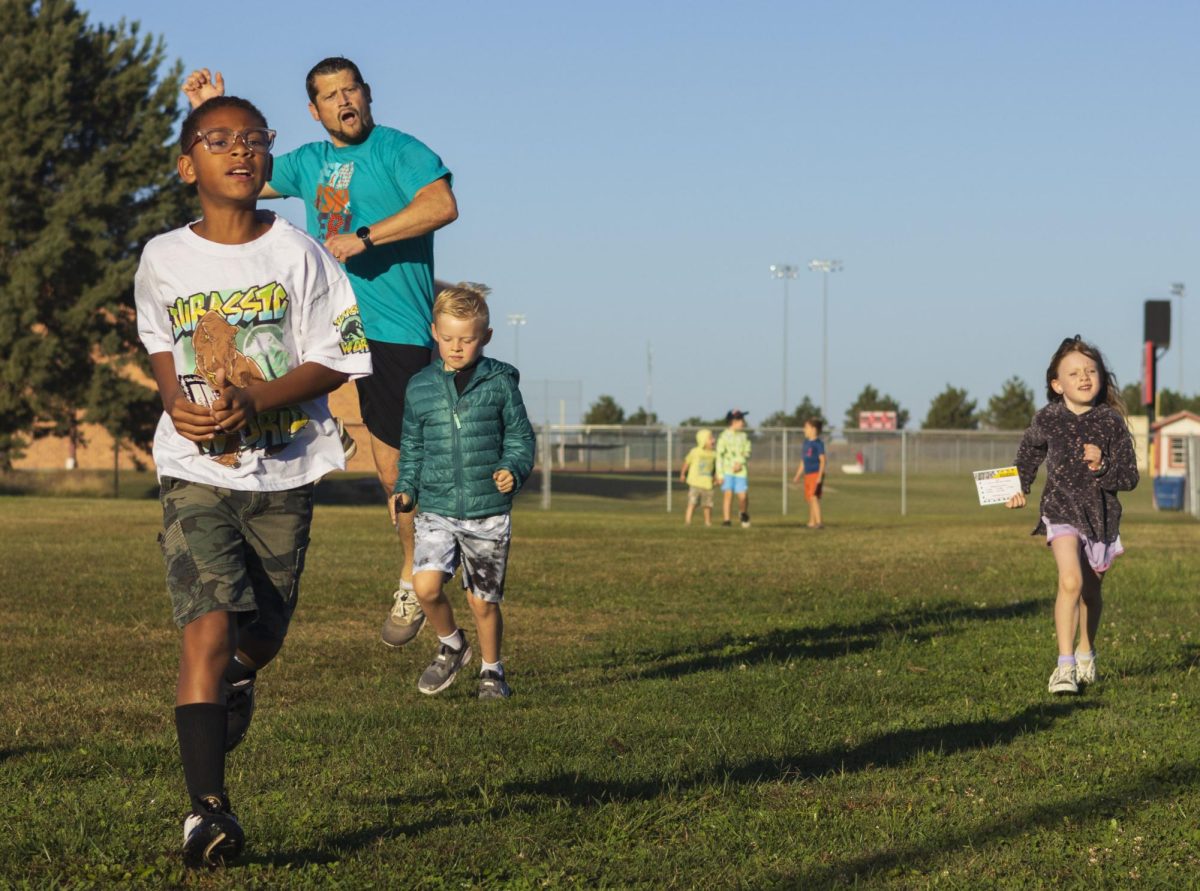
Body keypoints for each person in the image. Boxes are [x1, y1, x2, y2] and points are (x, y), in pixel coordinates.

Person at [135, 96, 372, 866]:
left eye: (255, 139)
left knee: (260, 634)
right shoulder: (163, 257)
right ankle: (207, 812)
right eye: (219, 139)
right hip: (194, 466)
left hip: (286, 466)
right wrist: (179, 404)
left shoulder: (300, 253)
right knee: (207, 623)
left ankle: (239, 677)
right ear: (186, 164)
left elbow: (338, 355)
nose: (241, 151)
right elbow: (163, 351)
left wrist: (254, 398)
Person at [183, 59, 458, 649]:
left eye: (350, 91)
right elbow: (234, 173)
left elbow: (441, 206)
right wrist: (212, 115)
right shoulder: (307, 161)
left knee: (396, 475)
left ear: (367, 93)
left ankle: (413, 574)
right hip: (324, 322)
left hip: (393, 330)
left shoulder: (399, 150)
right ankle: (327, 425)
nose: (343, 103)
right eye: (330, 96)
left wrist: (363, 237)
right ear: (314, 110)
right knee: (254, 357)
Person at [388, 284, 534, 699]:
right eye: (448, 338)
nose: (456, 347)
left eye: (467, 339)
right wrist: (405, 490)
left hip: (487, 511)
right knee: (426, 587)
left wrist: (512, 469)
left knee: (482, 602)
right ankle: (452, 645)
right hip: (435, 507)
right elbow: (412, 447)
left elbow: (521, 439)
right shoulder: (419, 387)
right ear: (434, 332)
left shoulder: (501, 383)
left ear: (485, 337)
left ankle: (493, 671)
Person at [1006, 335, 1138, 695]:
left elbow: (1129, 477)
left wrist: (1102, 465)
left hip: (1101, 518)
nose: (1084, 377)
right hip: (1060, 510)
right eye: (1074, 372)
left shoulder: (1110, 422)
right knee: (1070, 582)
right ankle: (1064, 668)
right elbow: (1027, 458)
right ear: (1056, 383)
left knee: (1090, 595)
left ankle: (1085, 652)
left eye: (1091, 370)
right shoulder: (1047, 419)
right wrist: (1018, 488)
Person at [716, 410, 752, 527]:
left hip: (741, 472)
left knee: (743, 496)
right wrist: (720, 474)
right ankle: (727, 520)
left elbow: (747, 452)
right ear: (733, 421)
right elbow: (719, 456)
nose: (743, 422)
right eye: (741, 420)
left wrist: (740, 463)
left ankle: (743, 513)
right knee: (728, 494)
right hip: (728, 472)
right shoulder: (724, 436)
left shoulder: (744, 436)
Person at [792, 418, 827, 528]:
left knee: (814, 497)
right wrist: (798, 475)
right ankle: (812, 522)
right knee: (810, 499)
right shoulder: (806, 443)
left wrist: (820, 476)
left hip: (816, 474)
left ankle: (819, 522)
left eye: (806, 427)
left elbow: (823, 460)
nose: (804, 430)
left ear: (813, 429)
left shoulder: (818, 444)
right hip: (807, 474)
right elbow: (803, 461)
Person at [679, 429, 719, 526]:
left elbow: (717, 468)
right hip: (695, 483)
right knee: (692, 503)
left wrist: (717, 478)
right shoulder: (695, 452)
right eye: (710, 438)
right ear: (703, 440)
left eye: (713, 438)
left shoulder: (714, 454)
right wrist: (683, 474)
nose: (713, 440)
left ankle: (708, 522)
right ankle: (688, 522)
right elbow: (687, 462)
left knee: (707, 505)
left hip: (707, 484)